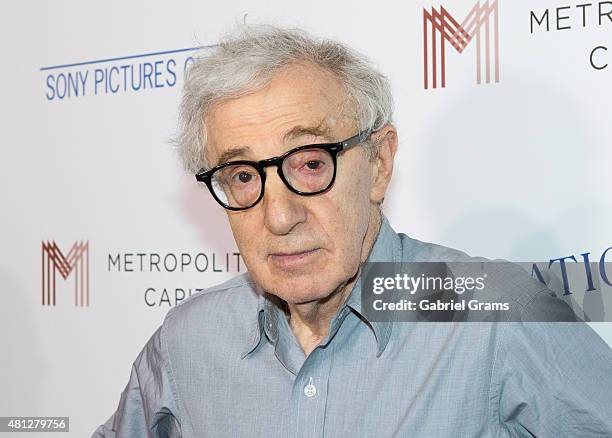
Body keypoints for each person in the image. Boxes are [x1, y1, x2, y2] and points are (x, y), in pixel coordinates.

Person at [93, 25, 612, 437]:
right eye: (243, 176)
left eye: (312, 164)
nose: (278, 217)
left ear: (380, 162)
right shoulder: (188, 342)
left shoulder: (497, 314)